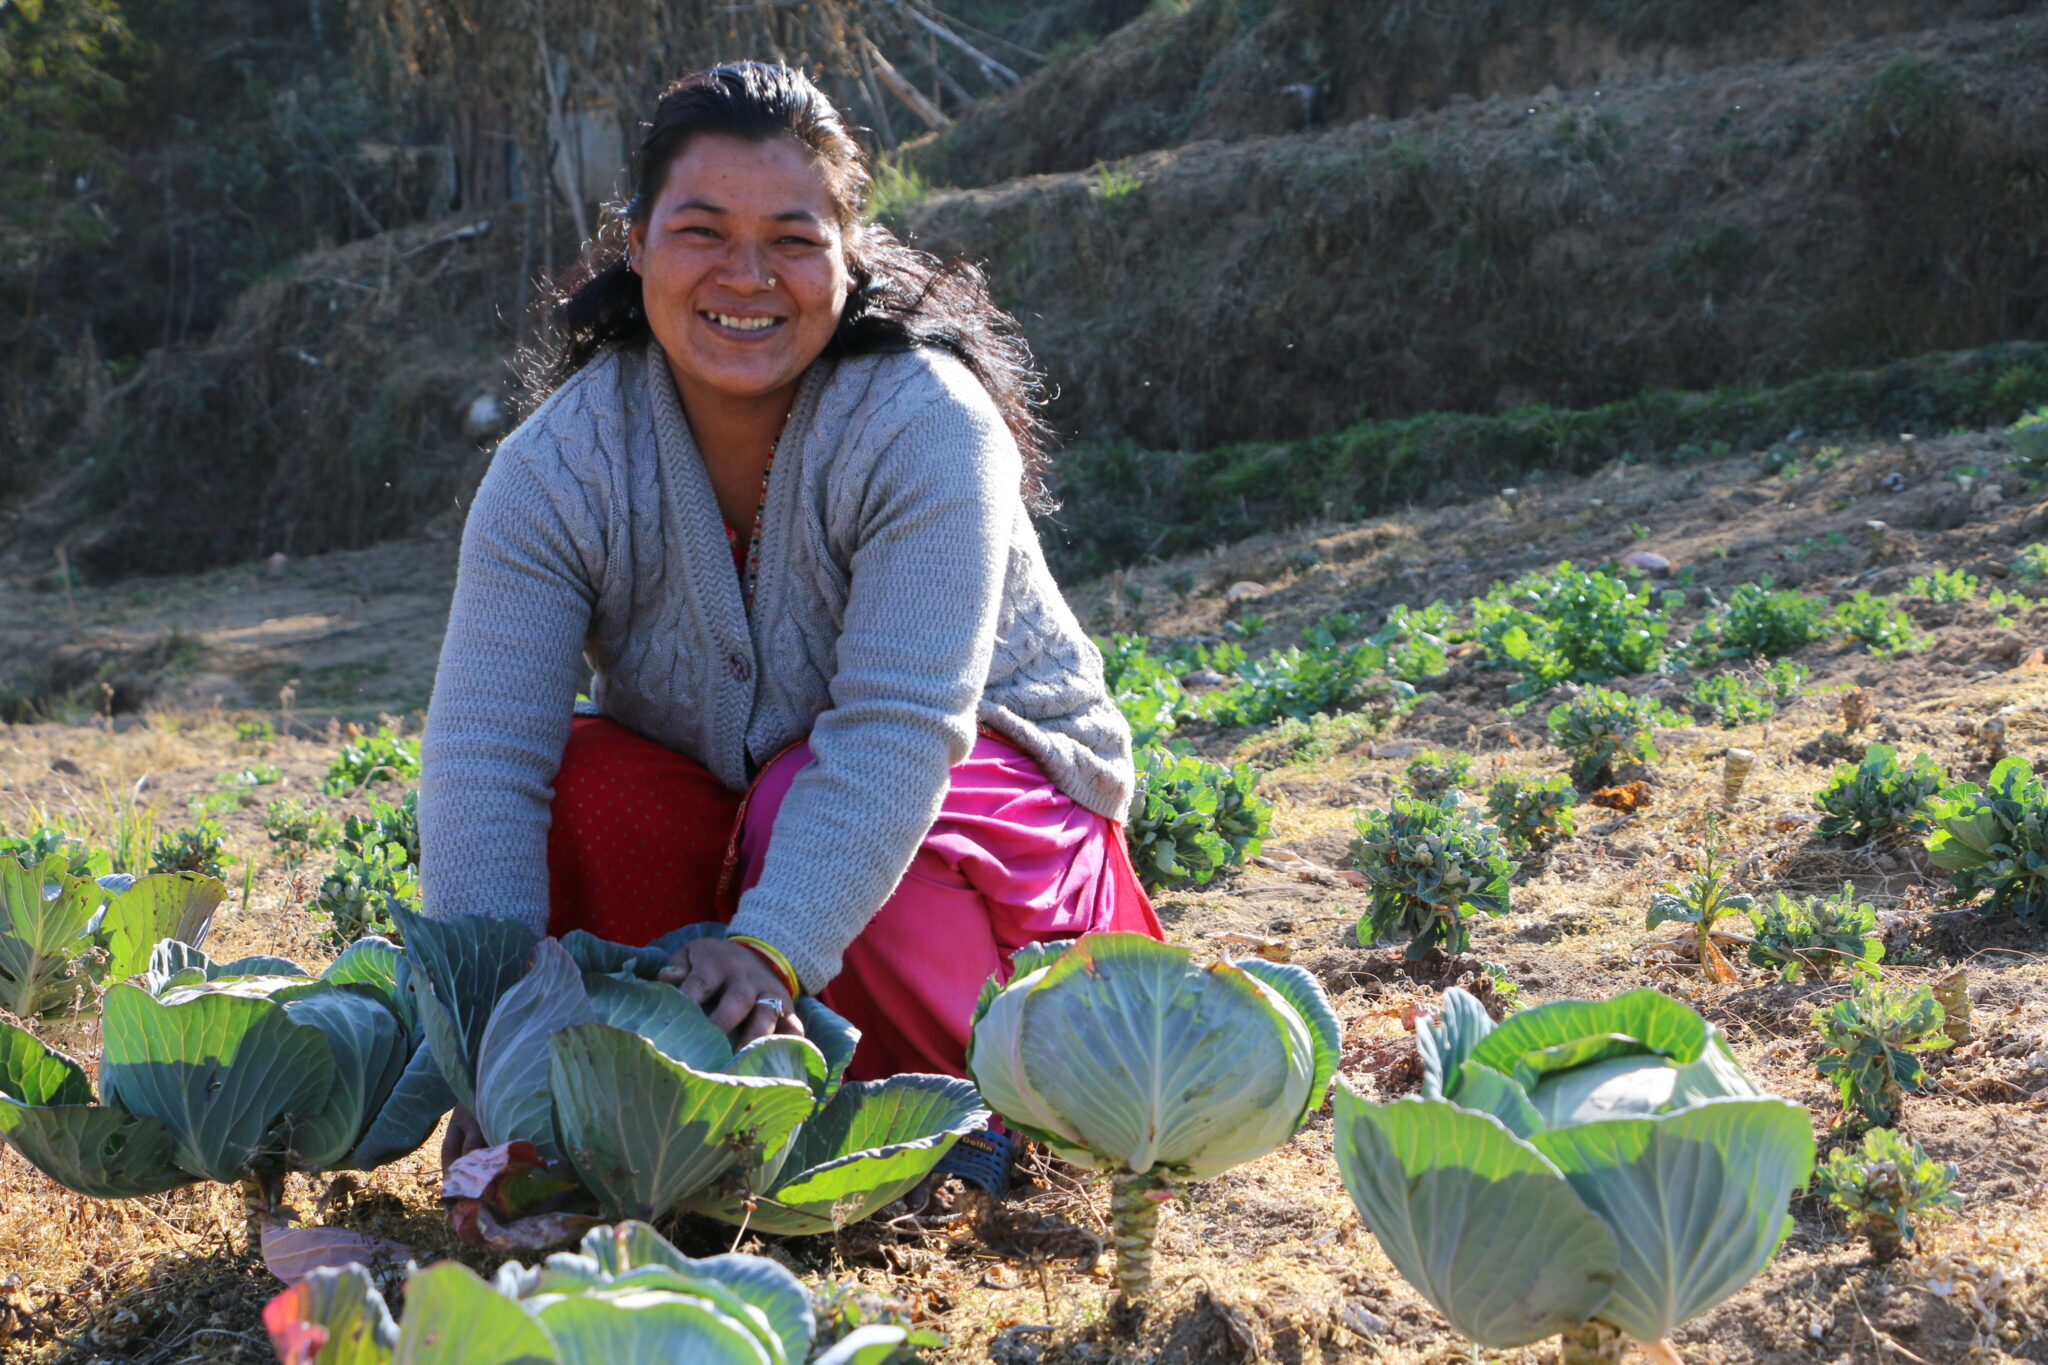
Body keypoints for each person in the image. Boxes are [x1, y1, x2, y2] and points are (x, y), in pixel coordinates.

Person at [418, 62, 1163, 1191]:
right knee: (579, 782)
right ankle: (678, 1109)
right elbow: (483, 758)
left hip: (988, 846)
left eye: (792, 238)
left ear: (848, 254)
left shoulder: (923, 425)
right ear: (634, 244)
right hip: (758, 841)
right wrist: (494, 1048)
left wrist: (772, 946)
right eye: (702, 231)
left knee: (795, 796)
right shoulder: (557, 469)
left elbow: (901, 728)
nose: (747, 276)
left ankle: (980, 1126)